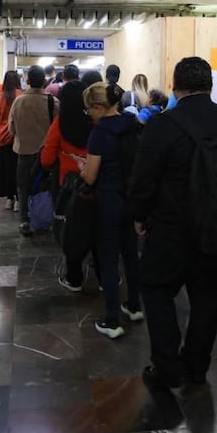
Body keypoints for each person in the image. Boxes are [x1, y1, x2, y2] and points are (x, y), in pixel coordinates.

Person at [128, 56, 217, 387]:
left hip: (171, 229)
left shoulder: (161, 125)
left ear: (174, 86)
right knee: (207, 298)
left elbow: (144, 179)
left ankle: (167, 366)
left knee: (156, 289)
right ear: (210, 85)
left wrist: (139, 215)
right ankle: (197, 367)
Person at [81, 81, 142, 338]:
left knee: (108, 258)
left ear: (98, 107)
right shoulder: (133, 125)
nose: (89, 115)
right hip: (131, 199)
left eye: (89, 110)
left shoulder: (100, 133)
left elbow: (91, 176)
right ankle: (134, 306)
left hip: (108, 201)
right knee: (131, 254)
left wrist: (82, 169)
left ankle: (112, 319)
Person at [40, 79, 95, 291]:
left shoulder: (60, 123)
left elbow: (46, 158)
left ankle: (74, 277)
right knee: (97, 228)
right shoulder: (95, 121)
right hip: (94, 182)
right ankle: (104, 276)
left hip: (68, 187)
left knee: (71, 231)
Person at [9, 65, 57, 235]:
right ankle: (45, 219)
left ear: (28, 81)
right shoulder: (53, 102)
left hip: (24, 152)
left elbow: (11, 129)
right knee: (46, 187)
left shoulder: (18, 101)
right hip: (46, 154)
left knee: (23, 187)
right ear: (44, 81)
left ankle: (24, 221)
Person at [0, 70, 21, 211]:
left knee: (6, 171)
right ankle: (19, 200)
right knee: (18, 170)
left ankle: (9, 199)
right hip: (19, 139)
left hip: (3, 139)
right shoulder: (21, 96)